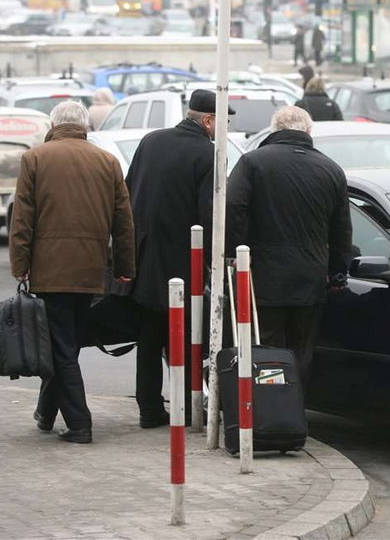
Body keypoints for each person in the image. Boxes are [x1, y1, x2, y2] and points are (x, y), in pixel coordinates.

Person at [9, 101, 135, 444]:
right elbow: (124, 222)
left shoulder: (35, 158)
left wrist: (20, 265)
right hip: (92, 270)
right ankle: (46, 413)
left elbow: (22, 219)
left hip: (50, 271)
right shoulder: (107, 161)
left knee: (62, 347)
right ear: (84, 126)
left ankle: (80, 424)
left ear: (53, 124)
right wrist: (124, 267)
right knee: (67, 344)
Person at [125, 89, 232, 428]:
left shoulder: (150, 141)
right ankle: (187, 407)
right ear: (208, 120)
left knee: (149, 336)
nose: (223, 129)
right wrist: (217, 262)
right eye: (223, 122)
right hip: (185, 263)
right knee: (187, 339)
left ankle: (149, 408)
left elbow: (129, 192)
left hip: (144, 258)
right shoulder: (209, 154)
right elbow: (210, 215)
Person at [226, 106, 352, 390]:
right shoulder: (331, 169)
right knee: (301, 350)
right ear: (309, 132)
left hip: (264, 275)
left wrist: (234, 254)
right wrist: (337, 272)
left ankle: (270, 409)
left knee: (268, 349)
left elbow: (234, 208)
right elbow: (342, 230)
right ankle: (294, 411)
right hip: (310, 277)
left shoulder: (252, 163)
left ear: (275, 131)